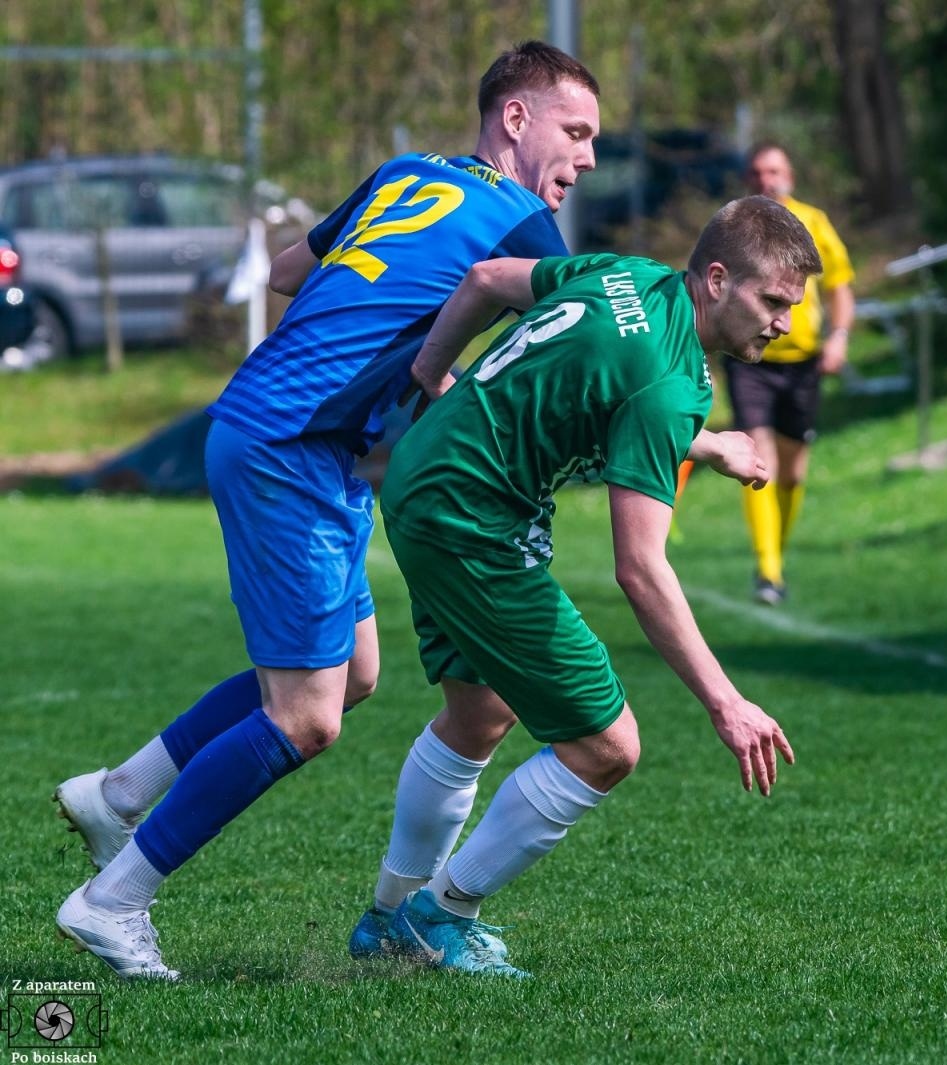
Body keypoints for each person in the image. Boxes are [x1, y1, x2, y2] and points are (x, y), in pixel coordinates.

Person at [51, 41, 762, 981]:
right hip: (294, 441)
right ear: (516, 119)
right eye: (576, 132)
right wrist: (422, 364)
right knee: (305, 717)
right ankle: (114, 900)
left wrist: (389, 320)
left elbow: (284, 273)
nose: (586, 158)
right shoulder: (524, 225)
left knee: (351, 678)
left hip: (308, 437)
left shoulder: (405, 174)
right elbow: (542, 381)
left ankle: (121, 794)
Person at [366, 195, 817, 976]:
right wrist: (726, 702)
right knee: (607, 746)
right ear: (716, 279)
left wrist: (430, 371)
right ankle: (440, 915)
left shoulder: (628, 277)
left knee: (479, 713)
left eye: (792, 307)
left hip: (426, 475)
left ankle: (386, 921)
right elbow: (640, 568)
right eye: (772, 300)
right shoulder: (670, 383)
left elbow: (484, 280)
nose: (782, 323)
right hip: (473, 520)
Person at [726, 143, 856, 604]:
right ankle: (768, 570)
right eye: (758, 172)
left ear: (791, 175)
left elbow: (841, 286)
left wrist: (838, 336)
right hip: (750, 358)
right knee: (761, 460)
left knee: (793, 472)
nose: (767, 179)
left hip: (804, 361)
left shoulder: (814, 222)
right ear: (749, 178)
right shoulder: (736, 224)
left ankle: (775, 552)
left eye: (775, 170)